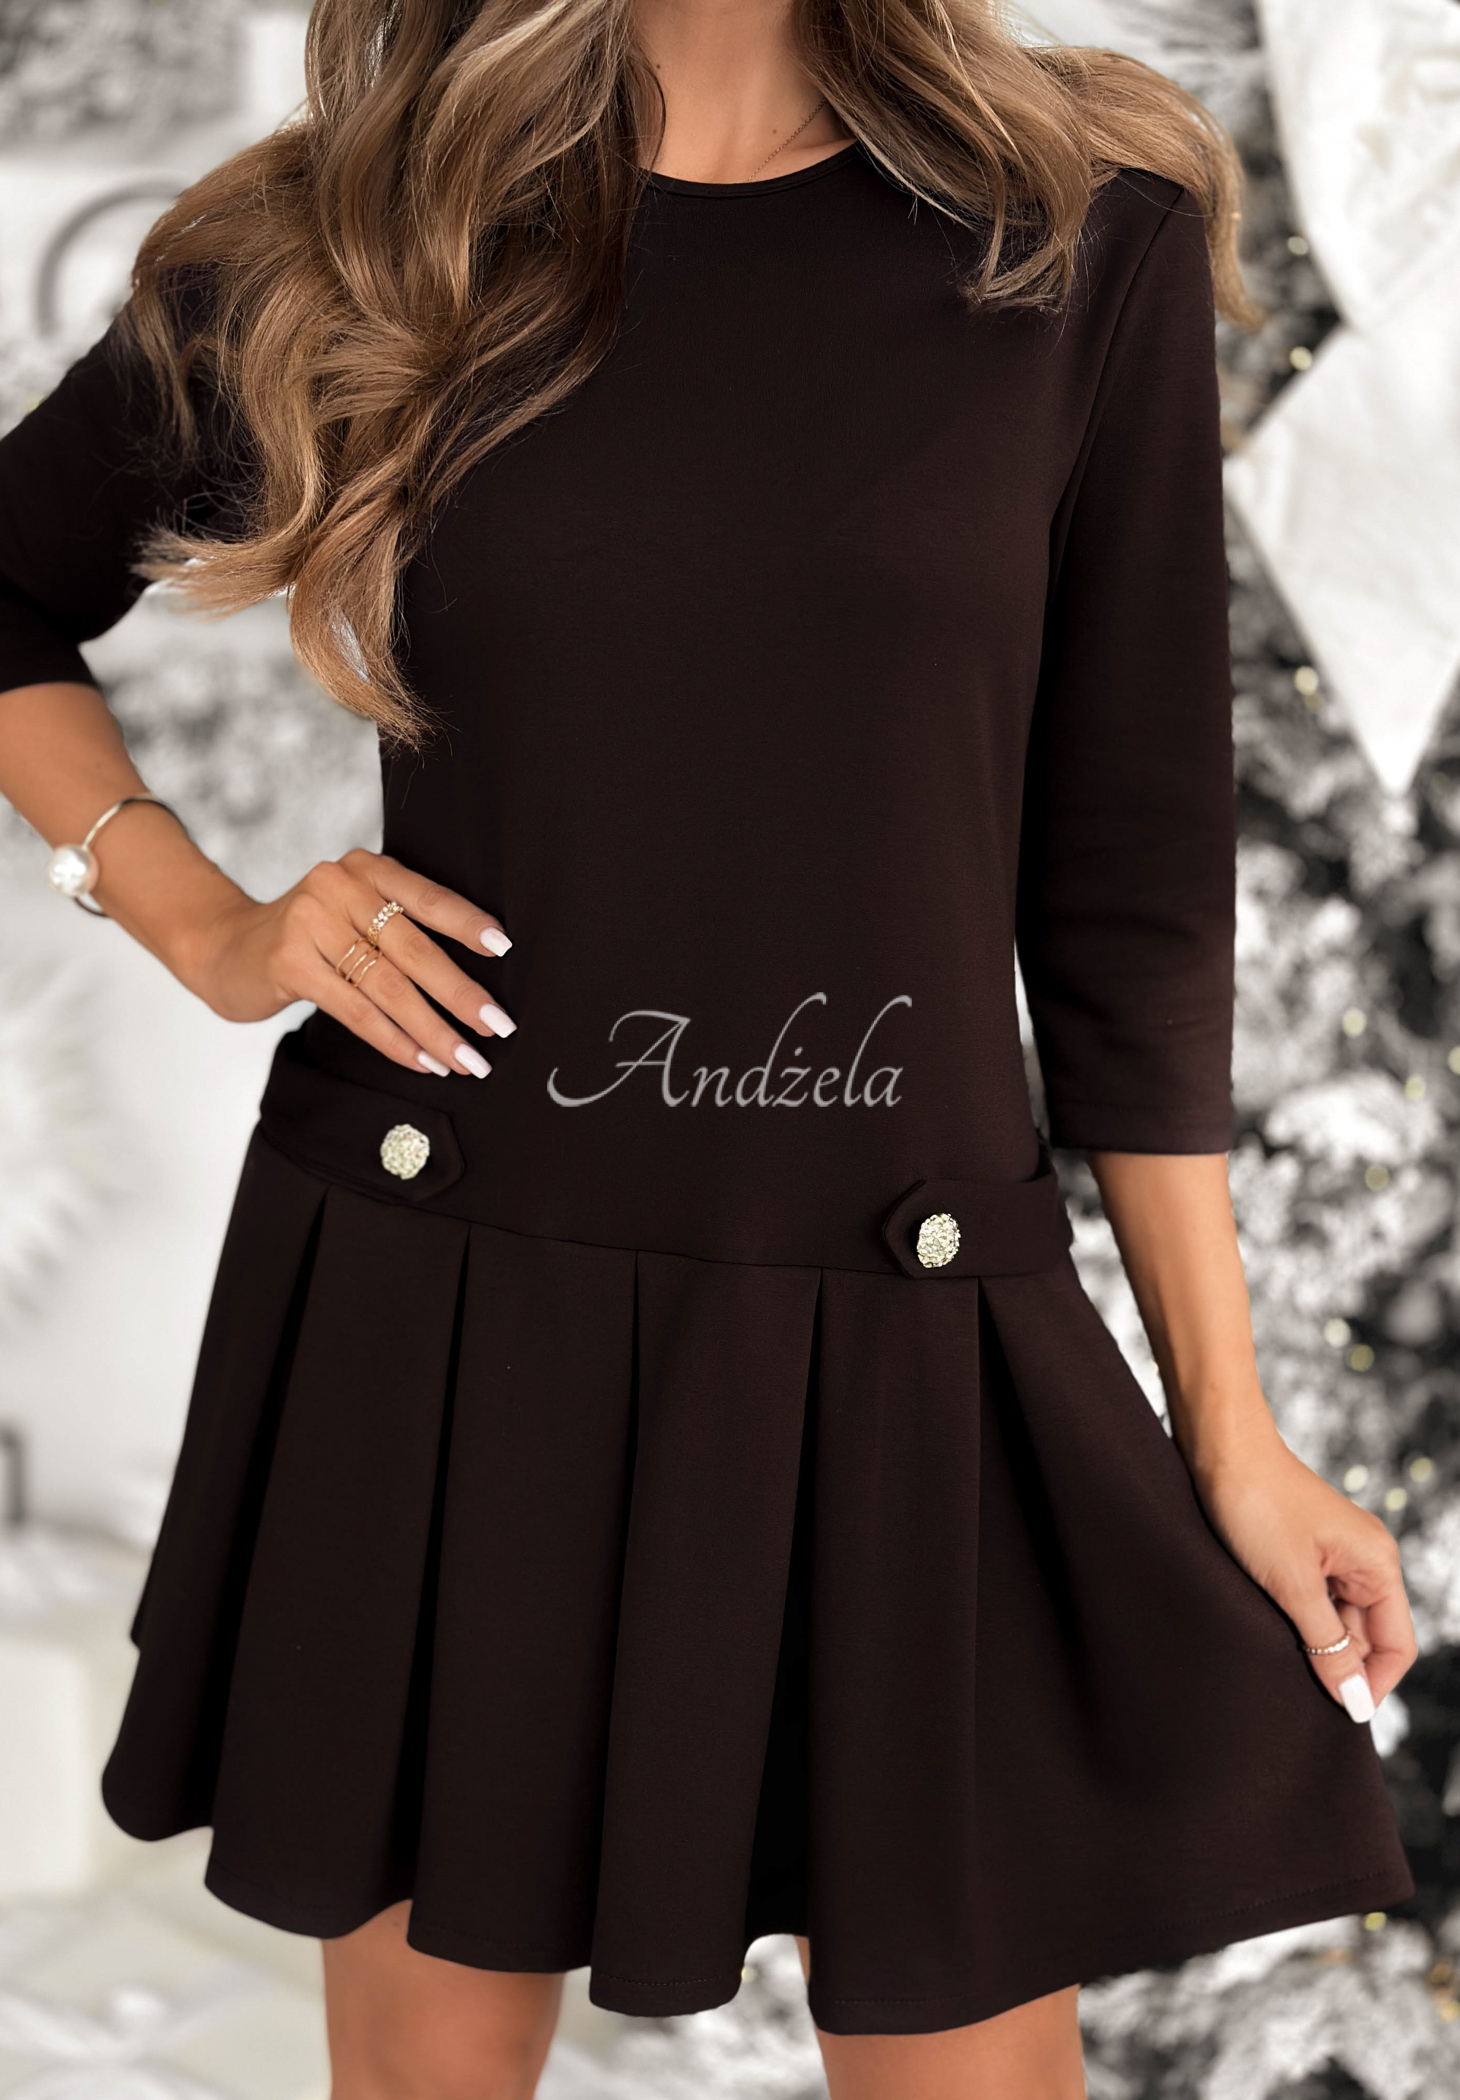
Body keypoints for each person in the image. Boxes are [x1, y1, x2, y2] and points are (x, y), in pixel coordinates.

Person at [0, 0, 1416, 2092]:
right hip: (448, 1301)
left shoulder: (1070, 231)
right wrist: (199, 917)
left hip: (904, 1318)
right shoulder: (368, 232)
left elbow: (1128, 891)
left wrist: (1231, 1430)